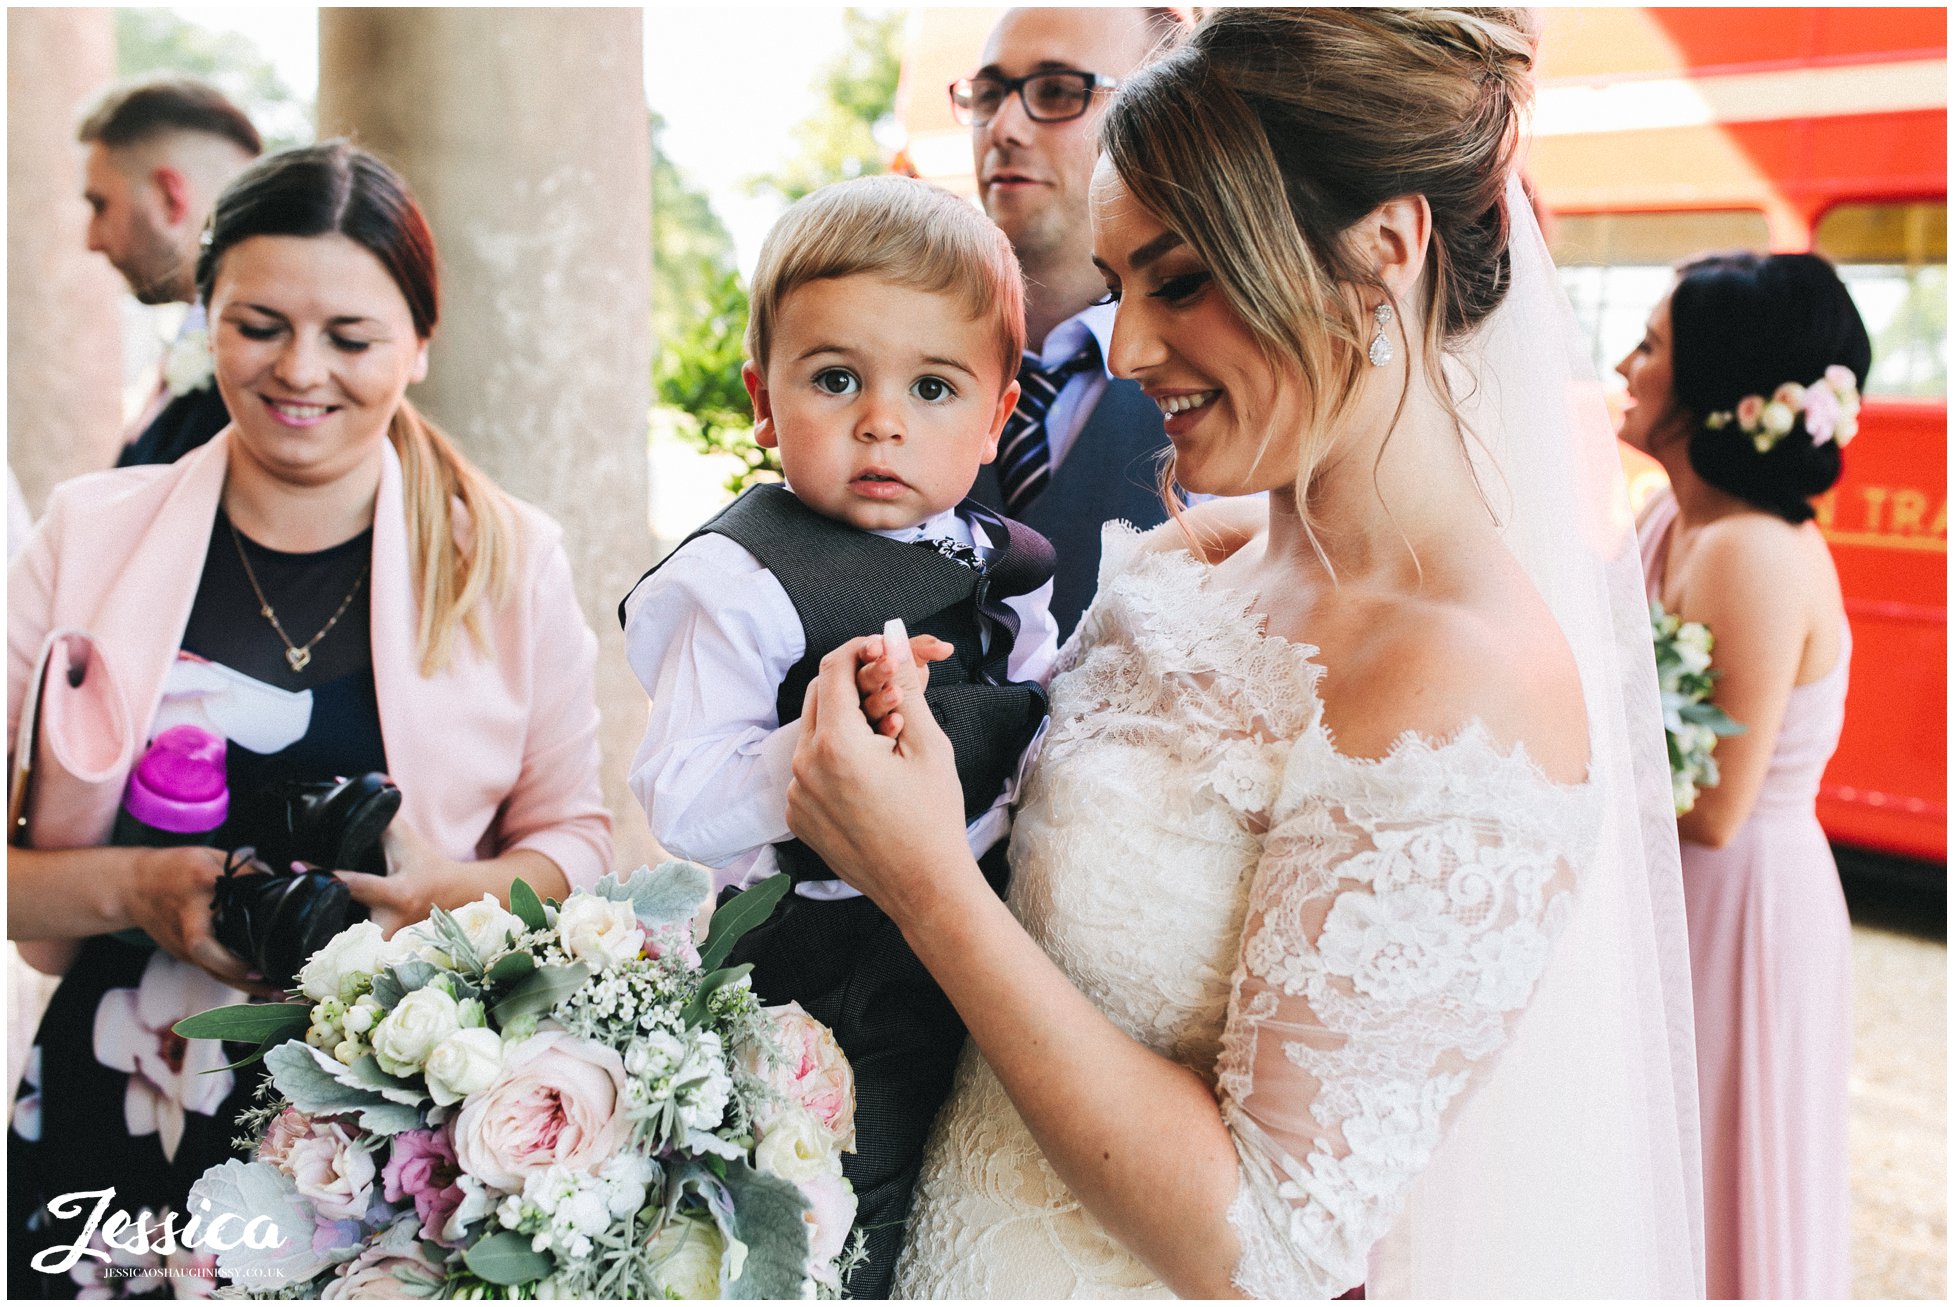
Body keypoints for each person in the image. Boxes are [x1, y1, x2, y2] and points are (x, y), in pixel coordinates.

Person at [784, 9, 1704, 1298]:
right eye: (1117, 287)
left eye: (1182, 278)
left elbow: (1268, 1245)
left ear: (1384, 248)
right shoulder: (1186, 558)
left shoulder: (1464, 690)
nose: (1128, 348)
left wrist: (926, 881)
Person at [7, 141, 612, 1296]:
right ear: (205, 318)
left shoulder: (509, 557)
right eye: (259, 323)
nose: (301, 371)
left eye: (351, 336)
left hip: (386, 1141)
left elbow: (578, 843)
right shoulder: (87, 536)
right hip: (113, 1101)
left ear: (419, 344)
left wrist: (451, 891)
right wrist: (133, 890)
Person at [620, 175, 1059, 1298]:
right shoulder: (748, 579)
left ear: (996, 414)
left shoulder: (1006, 566)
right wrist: (807, 753)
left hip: (977, 959)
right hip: (814, 977)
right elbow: (679, 792)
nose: (882, 419)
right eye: (835, 379)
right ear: (763, 402)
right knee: (834, 1224)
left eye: (931, 385)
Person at [1619, 251, 1867, 1299]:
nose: (1625, 364)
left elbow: (1711, 805)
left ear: (1713, 389)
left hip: (1736, 907)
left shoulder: (1753, 551)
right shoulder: (1665, 517)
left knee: (1713, 1166)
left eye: (1653, 347)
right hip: (1671, 888)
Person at [957, 7, 1186, 641]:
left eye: (1057, 91)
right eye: (988, 93)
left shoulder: (1230, 388)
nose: (1003, 127)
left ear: (1168, 121)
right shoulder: (887, 359)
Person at [77, 76, 261, 468]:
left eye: (100, 205)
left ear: (169, 197)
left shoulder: (261, 381)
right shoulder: (190, 345)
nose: (91, 240)